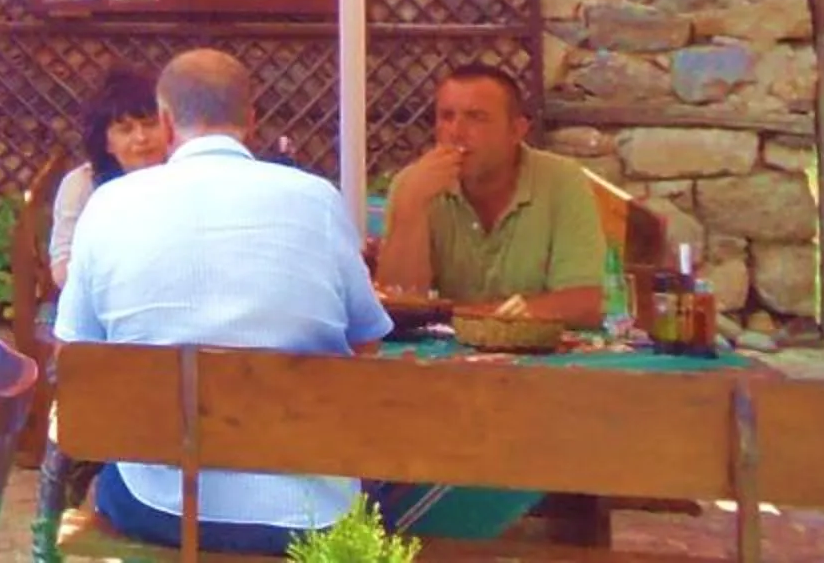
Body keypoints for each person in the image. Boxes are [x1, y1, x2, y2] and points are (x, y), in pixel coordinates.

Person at [55, 49, 392, 556]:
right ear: (251, 121)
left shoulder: (109, 204)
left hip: (161, 503)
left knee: (111, 483)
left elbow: (77, 361)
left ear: (166, 123)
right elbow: (366, 346)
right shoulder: (317, 200)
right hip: (311, 510)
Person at [372, 63, 606, 328]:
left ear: (516, 131)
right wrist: (411, 206)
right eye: (446, 116)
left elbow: (583, 304)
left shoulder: (561, 180)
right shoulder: (413, 184)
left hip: (540, 359)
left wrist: (465, 318)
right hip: (443, 362)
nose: (456, 131)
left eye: (476, 117)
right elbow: (396, 307)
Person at [48, 66, 166, 291]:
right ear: (107, 142)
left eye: (150, 124)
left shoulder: (187, 177)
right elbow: (62, 269)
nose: (141, 138)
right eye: (126, 129)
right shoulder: (82, 185)